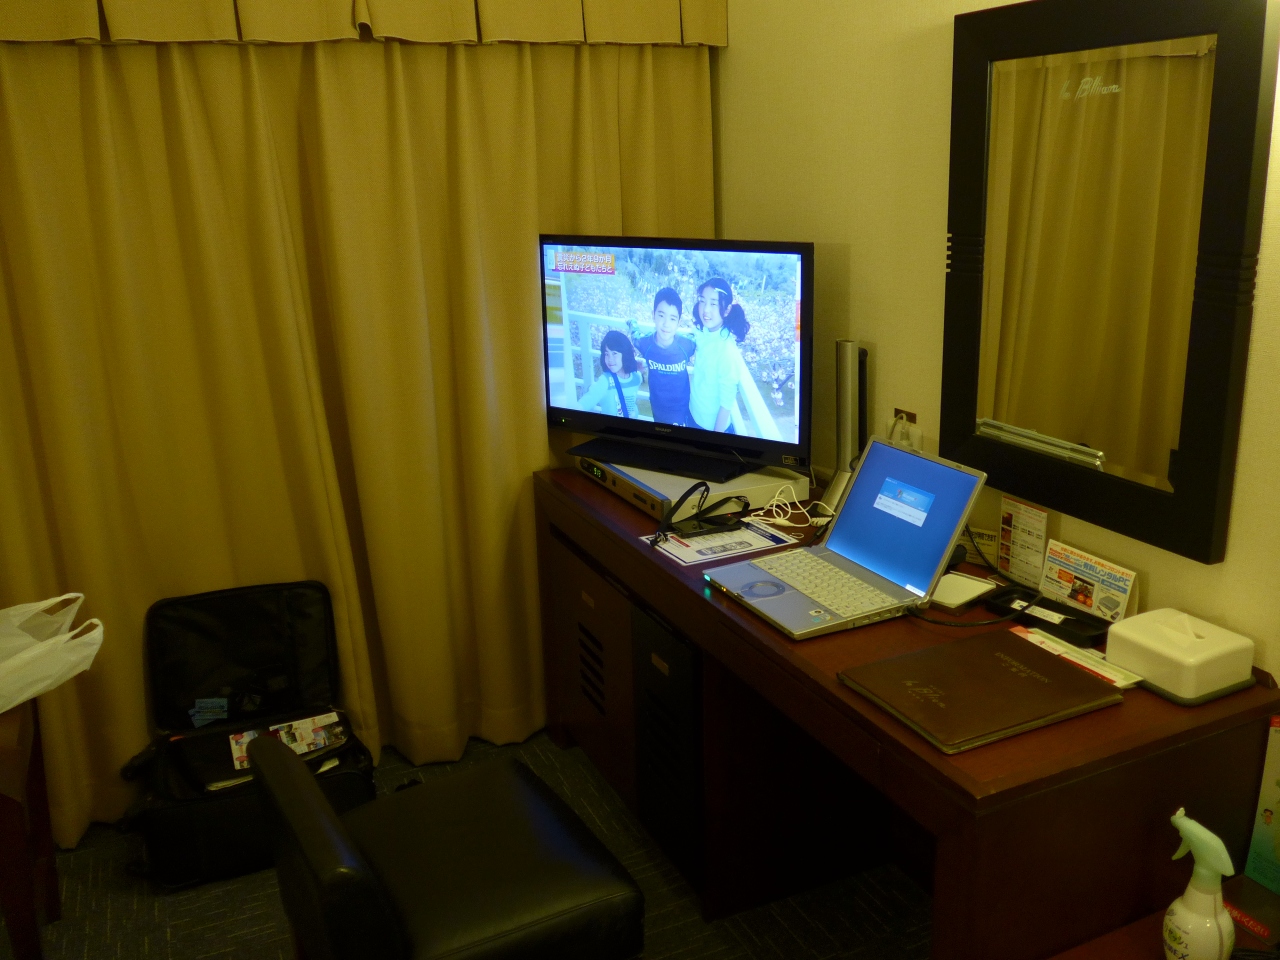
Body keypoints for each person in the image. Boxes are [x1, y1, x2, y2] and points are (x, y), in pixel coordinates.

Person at [689, 277, 750, 433]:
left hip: (709, 428)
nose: (705, 309)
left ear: (727, 310)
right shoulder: (704, 332)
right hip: (693, 415)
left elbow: (726, 404)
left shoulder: (727, 351)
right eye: (702, 301)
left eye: (713, 304)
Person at [634, 287, 695, 426]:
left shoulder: (687, 345)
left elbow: (702, 340)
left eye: (672, 318)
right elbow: (635, 336)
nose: (666, 324)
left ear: (679, 322)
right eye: (661, 315)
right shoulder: (645, 344)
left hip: (681, 409)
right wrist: (632, 324)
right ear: (653, 315)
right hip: (657, 407)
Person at [575, 329, 642, 418]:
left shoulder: (637, 377)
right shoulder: (605, 381)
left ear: (625, 354)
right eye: (607, 354)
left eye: (614, 353)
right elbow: (586, 402)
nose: (610, 359)